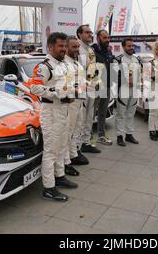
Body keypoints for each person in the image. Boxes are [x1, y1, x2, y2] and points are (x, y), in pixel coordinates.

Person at [31, 32, 78, 202]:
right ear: (50, 47)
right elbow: (34, 89)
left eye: (65, 46)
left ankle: (60, 176)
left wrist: (71, 92)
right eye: (60, 46)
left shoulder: (63, 65)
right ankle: (49, 188)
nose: (63, 49)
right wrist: (57, 92)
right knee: (51, 150)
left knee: (62, 145)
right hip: (50, 111)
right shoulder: (44, 67)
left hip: (64, 109)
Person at [63, 36, 89, 176]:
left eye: (77, 47)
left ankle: (73, 154)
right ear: (66, 47)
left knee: (77, 129)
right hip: (70, 102)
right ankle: (65, 161)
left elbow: (82, 81)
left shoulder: (77, 63)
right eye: (73, 47)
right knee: (68, 131)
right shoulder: (64, 64)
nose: (76, 49)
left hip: (80, 100)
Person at [77, 24, 101, 153]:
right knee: (81, 117)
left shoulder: (91, 50)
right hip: (81, 87)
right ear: (79, 34)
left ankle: (86, 142)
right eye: (87, 32)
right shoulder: (77, 49)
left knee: (90, 116)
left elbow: (93, 68)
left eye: (91, 33)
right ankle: (78, 145)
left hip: (91, 86)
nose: (90, 35)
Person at [115, 38, 142, 146]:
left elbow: (140, 75)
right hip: (123, 90)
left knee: (131, 113)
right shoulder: (118, 59)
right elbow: (113, 76)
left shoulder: (137, 59)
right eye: (129, 46)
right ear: (123, 47)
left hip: (135, 90)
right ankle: (119, 136)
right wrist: (125, 81)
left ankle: (129, 134)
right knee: (121, 114)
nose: (131, 48)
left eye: (132, 46)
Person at [91, 30, 115, 146]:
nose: (107, 40)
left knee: (102, 113)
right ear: (98, 38)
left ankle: (101, 136)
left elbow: (112, 68)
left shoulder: (109, 52)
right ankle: (88, 138)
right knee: (91, 114)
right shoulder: (92, 51)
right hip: (96, 88)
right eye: (104, 38)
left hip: (107, 87)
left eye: (108, 38)